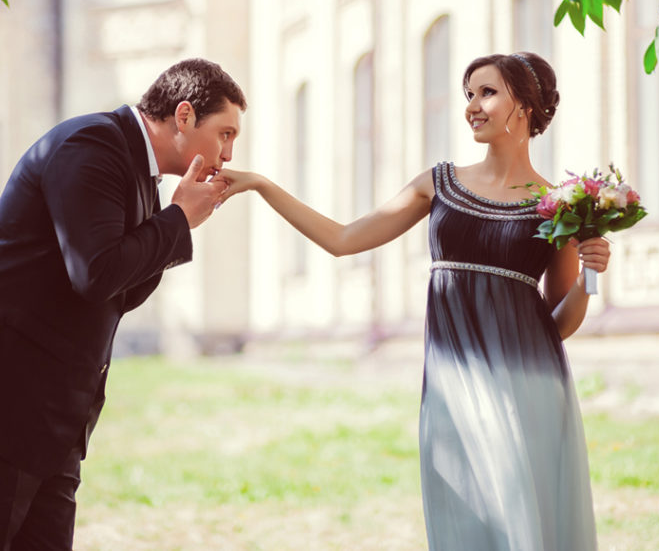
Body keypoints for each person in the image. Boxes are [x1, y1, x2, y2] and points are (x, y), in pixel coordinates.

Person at [220, 52, 607, 550]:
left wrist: (588, 279)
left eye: (487, 92)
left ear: (525, 105)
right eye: (469, 94)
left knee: (522, 524)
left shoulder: (559, 206)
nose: (472, 106)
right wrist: (262, 185)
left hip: (525, 386)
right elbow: (343, 239)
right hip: (452, 386)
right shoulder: (438, 184)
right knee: (465, 522)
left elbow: (559, 324)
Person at [0, 58, 245, 550]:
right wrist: (176, 220)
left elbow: (121, 292)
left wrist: (173, 220)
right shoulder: (92, 146)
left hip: (51, 416)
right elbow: (96, 273)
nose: (228, 155)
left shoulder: (140, 174)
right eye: (225, 134)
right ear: (185, 115)